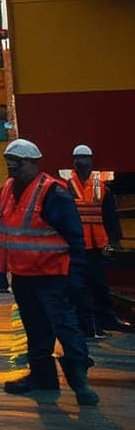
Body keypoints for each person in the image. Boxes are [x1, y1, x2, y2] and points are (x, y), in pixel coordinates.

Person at [0, 137, 97, 405]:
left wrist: (75, 277)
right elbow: (8, 230)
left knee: (65, 327)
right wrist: (2, 271)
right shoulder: (8, 188)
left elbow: (74, 238)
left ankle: (81, 384)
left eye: (15, 165)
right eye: (8, 165)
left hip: (52, 276)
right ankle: (43, 378)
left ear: (31, 163)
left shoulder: (54, 192)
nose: (11, 170)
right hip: (23, 276)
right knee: (36, 329)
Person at [65, 143, 132, 336]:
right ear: (75, 162)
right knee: (79, 287)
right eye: (80, 160)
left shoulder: (99, 186)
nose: (83, 164)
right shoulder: (67, 185)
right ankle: (89, 324)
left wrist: (113, 240)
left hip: (95, 245)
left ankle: (104, 320)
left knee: (98, 285)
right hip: (76, 245)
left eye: (86, 160)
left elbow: (108, 214)